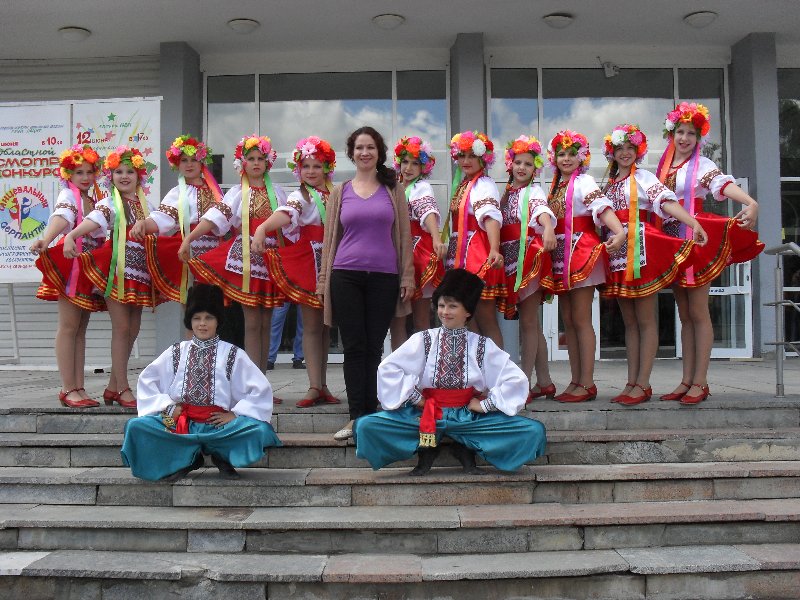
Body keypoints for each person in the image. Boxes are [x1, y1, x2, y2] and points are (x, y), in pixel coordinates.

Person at [353, 268, 547, 475]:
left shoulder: (481, 345)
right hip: (425, 413)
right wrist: (416, 399)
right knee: (364, 426)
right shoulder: (424, 340)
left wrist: (484, 405)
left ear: (468, 312)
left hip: (469, 417)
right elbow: (388, 368)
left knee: (534, 431)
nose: (445, 312)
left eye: (453, 306)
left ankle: (460, 444)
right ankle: (429, 446)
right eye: (442, 305)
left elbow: (515, 379)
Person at [656, 103, 763, 404]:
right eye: (680, 132)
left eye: (691, 133)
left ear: (698, 137)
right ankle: (686, 379)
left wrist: (750, 201)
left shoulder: (700, 165)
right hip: (673, 240)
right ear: (671, 134)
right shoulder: (663, 167)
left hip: (696, 238)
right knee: (685, 314)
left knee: (698, 312)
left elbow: (722, 184)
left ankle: (700, 381)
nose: (685, 138)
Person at [120, 283, 281, 481]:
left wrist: (236, 413)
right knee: (136, 427)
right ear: (190, 321)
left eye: (208, 318)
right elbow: (147, 381)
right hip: (181, 421)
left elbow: (260, 389)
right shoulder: (177, 351)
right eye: (197, 318)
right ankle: (188, 457)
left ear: (217, 321)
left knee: (259, 429)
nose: (202, 324)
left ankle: (222, 455)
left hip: (218, 426)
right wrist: (168, 407)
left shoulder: (232, 354)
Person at [317, 126, 414, 441]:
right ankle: (356, 416)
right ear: (352, 152)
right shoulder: (339, 191)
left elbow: (403, 237)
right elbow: (329, 239)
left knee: (374, 347)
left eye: (370, 147)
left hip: (384, 278)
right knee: (354, 347)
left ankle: (371, 416)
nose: (364, 153)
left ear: (379, 152)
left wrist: (407, 276)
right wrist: (323, 282)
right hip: (345, 276)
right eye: (359, 147)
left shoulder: (393, 188)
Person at [600, 124, 708, 405]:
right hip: (619, 257)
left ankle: (644, 383)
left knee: (646, 320)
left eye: (630, 148)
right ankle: (631, 381)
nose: (625, 153)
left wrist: (692, 222)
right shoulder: (608, 186)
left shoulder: (645, 178)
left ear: (638, 151)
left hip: (640, 254)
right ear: (611, 154)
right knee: (630, 322)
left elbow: (667, 202)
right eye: (619, 149)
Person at [180, 135, 288, 374]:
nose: (256, 163)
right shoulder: (238, 193)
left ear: (268, 162)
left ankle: (262, 380)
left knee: (266, 322)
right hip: (247, 260)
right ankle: (251, 381)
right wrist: (189, 238)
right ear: (243, 163)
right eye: (251, 159)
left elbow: (290, 223)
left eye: (261, 158)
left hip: (270, 257)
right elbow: (215, 217)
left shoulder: (278, 193)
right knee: (252, 323)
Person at [65, 145, 163, 408]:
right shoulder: (110, 203)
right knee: (121, 328)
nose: (124, 176)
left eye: (130, 171)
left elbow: (163, 225)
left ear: (139, 176)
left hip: (140, 272)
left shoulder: (147, 205)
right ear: (112, 177)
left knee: (132, 330)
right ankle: (123, 389)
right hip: (117, 270)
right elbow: (95, 220)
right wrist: (72, 235)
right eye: (119, 172)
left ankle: (112, 386)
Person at [539, 131, 626, 402]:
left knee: (581, 318)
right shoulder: (554, 186)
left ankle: (587, 382)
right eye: (561, 154)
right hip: (561, 254)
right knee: (570, 321)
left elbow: (601, 208)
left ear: (582, 157)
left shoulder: (585, 181)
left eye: (571, 154)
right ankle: (575, 381)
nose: (566, 159)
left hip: (581, 249)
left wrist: (619, 231)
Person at [254, 136, 339, 407]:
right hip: (311, 260)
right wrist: (262, 227)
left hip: (336, 257)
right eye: (306, 166)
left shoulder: (337, 193)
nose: (311, 171)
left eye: (317, 165)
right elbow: (287, 214)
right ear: (298, 170)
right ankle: (314, 385)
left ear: (327, 168)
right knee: (313, 325)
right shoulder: (300, 196)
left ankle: (323, 385)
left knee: (327, 326)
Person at [31, 144, 105, 408]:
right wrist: (47, 238)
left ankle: (78, 387)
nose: (84, 177)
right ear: (68, 175)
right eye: (78, 172)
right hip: (73, 265)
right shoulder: (69, 195)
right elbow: (61, 216)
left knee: (80, 329)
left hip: (87, 265)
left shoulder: (93, 198)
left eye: (88, 172)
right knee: (69, 326)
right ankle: (67, 388)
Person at [499, 135, 557, 403]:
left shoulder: (533, 191)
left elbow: (541, 211)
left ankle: (524, 378)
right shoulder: (506, 193)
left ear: (536, 169)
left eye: (528, 164)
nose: (522, 168)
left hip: (528, 258)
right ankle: (544, 381)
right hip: (511, 259)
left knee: (530, 322)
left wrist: (547, 227)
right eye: (518, 162)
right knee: (529, 322)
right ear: (510, 165)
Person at [136, 135, 224, 305]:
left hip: (214, 250)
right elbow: (162, 219)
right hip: (188, 251)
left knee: (214, 304)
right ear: (177, 164)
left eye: (193, 159)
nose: (189, 164)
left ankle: (214, 333)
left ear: (202, 162)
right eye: (184, 160)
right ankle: (191, 333)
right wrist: (142, 223)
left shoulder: (215, 191)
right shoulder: (177, 193)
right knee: (192, 304)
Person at [445, 130, 506, 348]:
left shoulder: (483, 184)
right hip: (463, 254)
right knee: (469, 320)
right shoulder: (465, 184)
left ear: (483, 158)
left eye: (472, 155)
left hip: (477, 254)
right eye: (462, 156)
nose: (466, 161)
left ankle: (499, 376)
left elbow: (490, 217)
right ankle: (478, 373)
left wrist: (494, 249)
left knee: (485, 318)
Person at [388, 135, 446, 349]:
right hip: (396, 252)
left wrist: (437, 238)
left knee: (421, 317)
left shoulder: (422, 187)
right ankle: (399, 368)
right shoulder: (394, 186)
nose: (409, 168)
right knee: (397, 319)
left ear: (424, 167)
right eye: (405, 162)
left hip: (417, 253)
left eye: (415, 163)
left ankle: (425, 369)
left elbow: (427, 211)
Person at [267, 302, 304, 370]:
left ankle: (299, 358)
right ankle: (269, 358)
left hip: (303, 291)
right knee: (276, 320)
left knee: (303, 322)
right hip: (284, 291)